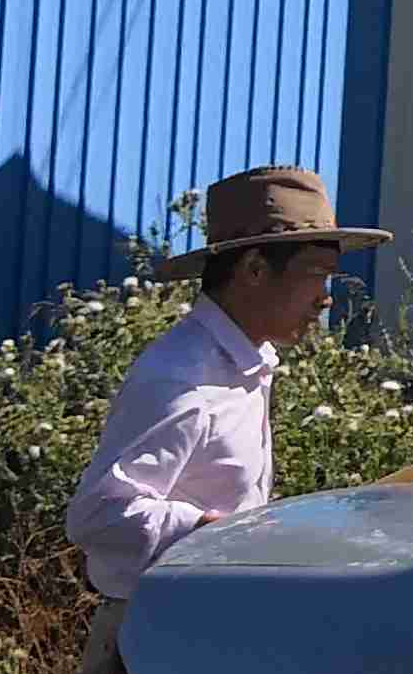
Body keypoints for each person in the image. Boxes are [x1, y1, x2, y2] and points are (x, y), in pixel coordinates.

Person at [64, 163, 389, 609]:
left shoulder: (250, 363)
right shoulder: (183, 378)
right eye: (315, 274)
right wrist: (213, 530)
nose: (326, 297)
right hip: (160, 640)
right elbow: (98, 515)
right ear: (254, 269)